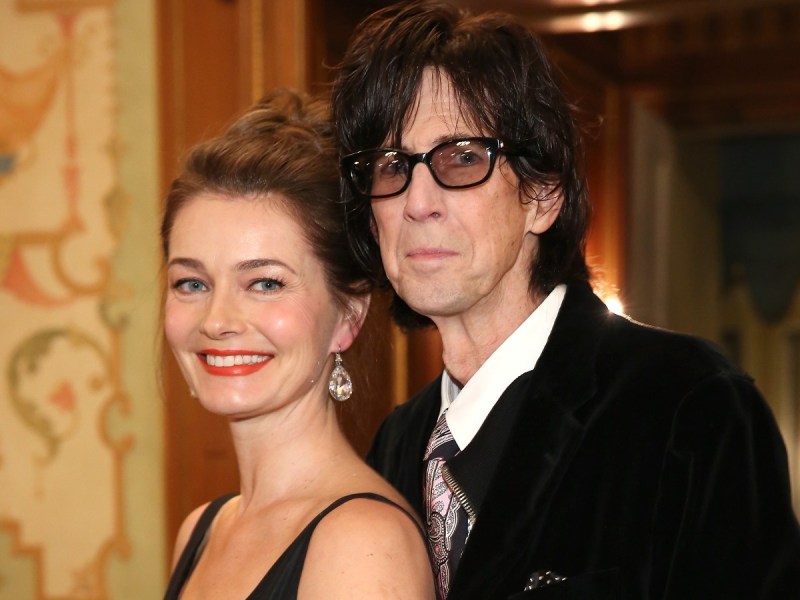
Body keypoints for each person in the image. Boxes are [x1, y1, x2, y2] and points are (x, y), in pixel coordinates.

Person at [331, 2, 800, 598]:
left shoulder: (686, 403)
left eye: (463, 157)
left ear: (543, 195)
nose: (418, 201)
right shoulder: (398, 444)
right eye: (391, 166)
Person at [160, 90, 435, 600]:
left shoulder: (363, 544)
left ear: (348, 315)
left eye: (265, 283)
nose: (216, 321)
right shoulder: (201, 531)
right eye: (191, 284)